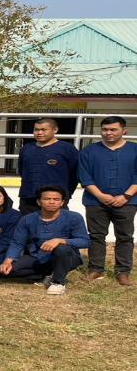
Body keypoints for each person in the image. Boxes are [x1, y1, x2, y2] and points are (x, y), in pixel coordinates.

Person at [0, 185, 90, 295]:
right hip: (38, 256)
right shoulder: (27, 219)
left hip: (67, 257)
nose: (52, 202)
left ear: (62, 202)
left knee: (62, 248)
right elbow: (17, 242)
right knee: (8, 270)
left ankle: (58, 282)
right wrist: (8, 261)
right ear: (39, 202)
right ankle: (47, 275)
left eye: (56, 199)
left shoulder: (74, 217)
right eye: (47, 199)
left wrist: (60, 240)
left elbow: (85, 241)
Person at [78, 115, 137, 286]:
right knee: (96, 236)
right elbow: (85, 177)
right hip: (95, 201)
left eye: (113, 129)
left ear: (124, 131)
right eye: (104, 129)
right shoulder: (89, 151)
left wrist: (126, 196)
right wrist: (100, 196)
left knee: (125, 236)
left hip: (127, 202)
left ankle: (123, 271)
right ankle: (96, 269)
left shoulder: (134, 150)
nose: (108, 133)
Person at [18, 118, 79, 215]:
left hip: (55, 198)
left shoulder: (67, 148)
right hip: (28, 197)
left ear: (55, 130)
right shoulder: (26, 148)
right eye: (36, 130)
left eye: (43, 130)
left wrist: (65, 194)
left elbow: (75, 174)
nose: (39, 133)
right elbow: (22, 171)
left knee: (57, 224)